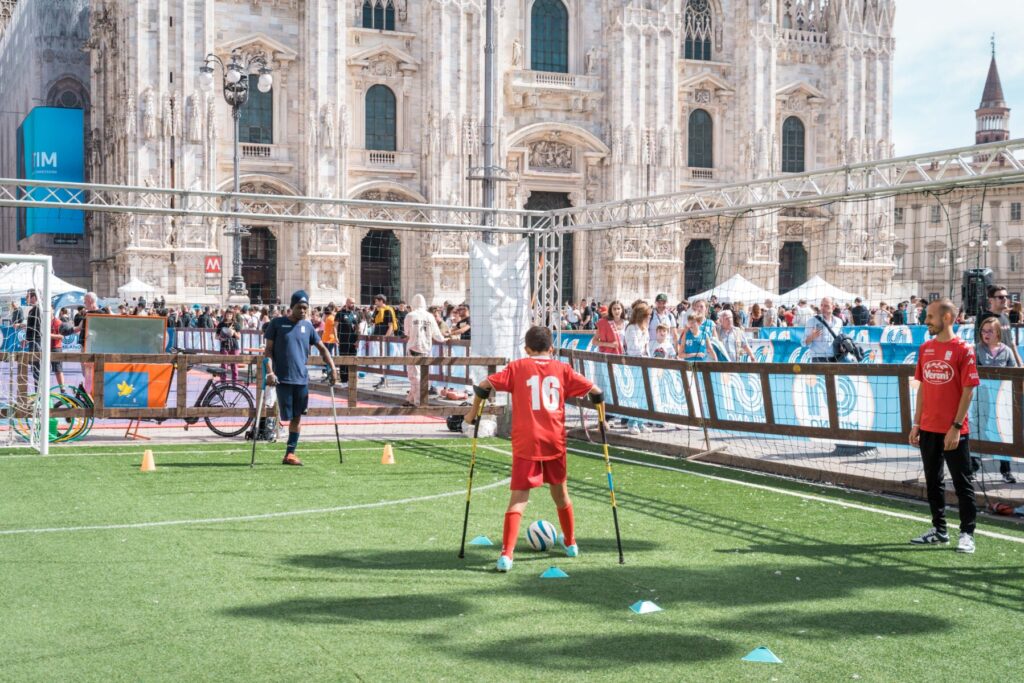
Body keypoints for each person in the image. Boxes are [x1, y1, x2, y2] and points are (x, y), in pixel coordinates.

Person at [464, 325, 604, 573]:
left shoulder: (517, 367)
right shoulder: (563, 369)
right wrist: (600, 414)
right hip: (554, 441)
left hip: (526, 442)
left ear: (526, 349)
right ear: (552, 348)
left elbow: (484, 385)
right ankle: (571, 544)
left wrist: (472, 414)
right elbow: (597, 391)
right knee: (561, 495)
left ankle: (507, 555)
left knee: (519, 499)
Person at [909, 299, 979, 554]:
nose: (925, 321)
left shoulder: (963, 349)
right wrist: (916, 423)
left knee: (962, 483)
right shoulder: (925, 348)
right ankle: (939, 530)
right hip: (928, 428)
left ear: (947, 317)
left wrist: (956, 426)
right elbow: (923, 388)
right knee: (933, 481)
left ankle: (967, 533)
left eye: (930, 316)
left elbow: (968, 390)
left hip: (954, 430)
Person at [264, 290, 338, 466]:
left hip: (301, 380)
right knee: (286, 417)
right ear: (292, 307)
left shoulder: (308, 327)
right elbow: (267, 351)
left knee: (297, 417)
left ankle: (290, 453)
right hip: (282, 379)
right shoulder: (276, 324)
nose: (303, 311)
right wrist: (269, 372)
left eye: (306, 308)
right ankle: (271, 434)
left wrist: (333, 368)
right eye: (300, 307)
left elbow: (323, 349)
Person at [972, 317, 1017, 484]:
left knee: (1002, 433)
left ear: (998, 332)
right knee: (978, 429)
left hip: (1001, 400)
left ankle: (1006, 471)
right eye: (984, 331)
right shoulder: (976, 349)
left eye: (990, 330)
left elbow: (1013, 373)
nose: (986, 334)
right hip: (981, 397)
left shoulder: (1006, 350)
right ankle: (973, 467)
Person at [403, 294, 446, 406]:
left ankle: (418, 401)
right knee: (421, 375)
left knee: (414, 376)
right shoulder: (430, 316)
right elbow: (437, 334)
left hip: (413, 349)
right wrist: (445, 339)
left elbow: (406, 332)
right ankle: (410, 399)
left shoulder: (410, 315)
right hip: (426, 349)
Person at [623, 302, 651, 435]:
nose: (649, 318)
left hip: (645, 363)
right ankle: (631, 422)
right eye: (647, 315)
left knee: (644, 395)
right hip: (634, 364)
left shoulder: (644, 328)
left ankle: (640, 421)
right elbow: (633, 348)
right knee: (635, 394)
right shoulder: (631, 328)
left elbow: (647, 347)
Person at [977, 285, 1022, 367]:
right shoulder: (985, 318)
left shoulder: (1005, 317)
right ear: (991, 300)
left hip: (1007, 364)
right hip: (990, 367)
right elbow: (979, 343)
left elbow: (1011, 342)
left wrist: (1019, 363)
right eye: (1001, 297)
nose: (1005, 299)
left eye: (1006, 296)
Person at [802, 297, 843, 362]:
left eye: (826, 306)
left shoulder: (839, 322)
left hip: (834, 358)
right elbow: (804, 343)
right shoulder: (812, 321)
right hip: (818, 358)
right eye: (821, 305)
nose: (823, 308)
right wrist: (812, 337)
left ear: (833, 307)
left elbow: (840, 339)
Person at [216, 310, 241, 382]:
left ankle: (234, 382)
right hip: (224, 345)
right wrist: (221, 338)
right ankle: (223, 382)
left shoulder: (236, 324)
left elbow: (239, 337)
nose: (229, 315)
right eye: (227, 314)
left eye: (230, 314)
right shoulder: (221, 324)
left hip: (234, 346)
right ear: (225, 315)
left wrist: (234, 333)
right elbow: (216, 336)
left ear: (233, 315)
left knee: (235, 365)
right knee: (224, 365)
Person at [321, 304, 338, 382]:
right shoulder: (332, 318)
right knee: (329, 356)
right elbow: (336, 328)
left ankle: (328, 372)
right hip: (330, 339)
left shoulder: (327, 318)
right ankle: (329, 372)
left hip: (326, 339)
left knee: (327, 356)